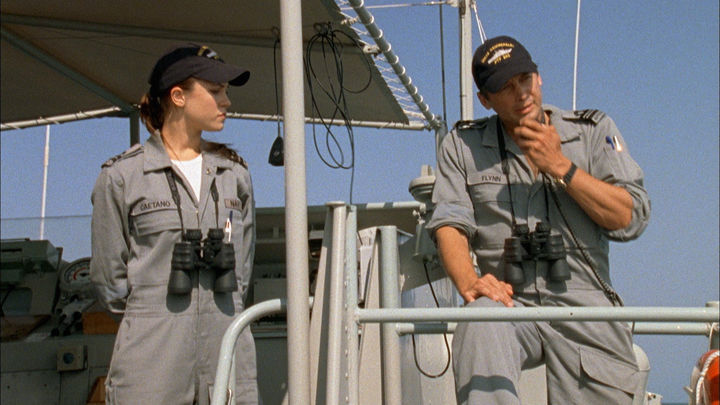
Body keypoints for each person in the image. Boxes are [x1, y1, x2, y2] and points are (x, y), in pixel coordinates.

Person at [426, 36, 651, 404]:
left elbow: (631, 217)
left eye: (525, 79)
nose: (522, 94)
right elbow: (450, 223)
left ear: (539, 77)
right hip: (510, 302)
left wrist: (560, 166)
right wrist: (470, 282)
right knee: (481, 319)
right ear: (485, 100)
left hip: (587, 309)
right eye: (506, 87)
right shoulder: (462, 146)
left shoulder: (592, 131)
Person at [90, 44, 258, 404]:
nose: (226, 102)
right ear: (178, 96)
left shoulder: (234, 174)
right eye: (215, 91)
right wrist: (153, 316)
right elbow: (109, 282)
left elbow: (242, 270)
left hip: (226, 347)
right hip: (152, 360)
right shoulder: (123, 177)